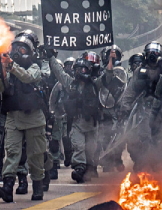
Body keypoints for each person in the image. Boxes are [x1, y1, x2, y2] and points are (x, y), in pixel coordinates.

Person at [0, 34, 47, 202]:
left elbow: (28, 77)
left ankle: (37, 186)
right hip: (13, 116)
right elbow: (2, 88)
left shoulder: (36, 67)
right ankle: (8, 187)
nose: (16, 52)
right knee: (12, 152)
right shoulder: (11, 69)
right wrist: (1, 71)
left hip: (33, 118)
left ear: (30, 52)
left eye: (21, 49)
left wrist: (11, 66)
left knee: (35, 155)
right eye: (14, 48)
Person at [47, 50, 114, 183]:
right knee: (79, 147)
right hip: (77, 123)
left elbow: (108, 75)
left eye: (83, 69)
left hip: (92, 125)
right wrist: (51, 58)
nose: (80, 72)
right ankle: (79, 168)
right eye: (77, 69)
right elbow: (59, 73)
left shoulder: (95, 84)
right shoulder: (70, 84)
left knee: (92, 148)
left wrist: (110, 60)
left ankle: (90, 167)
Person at [118, 41, 162, 173]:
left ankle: (157, 163)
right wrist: (125, 108)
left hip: (161, 111)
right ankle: (143, 163)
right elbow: (130, 92)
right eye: (150, 52)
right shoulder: (139, 72)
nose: (152, 55)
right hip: (143, 110)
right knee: (141, 137)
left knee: (161, 137)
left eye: (155, 53)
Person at [97, 45, 128, 172]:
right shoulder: (100, 72)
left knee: (119, 137)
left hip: (118, 108)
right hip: (103, 109)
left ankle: (117, 158)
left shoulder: (121, 71)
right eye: (109, 55)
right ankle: (107, 162)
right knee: (104, 136)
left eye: (114, 55)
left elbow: (121, 85)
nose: (112, 57)